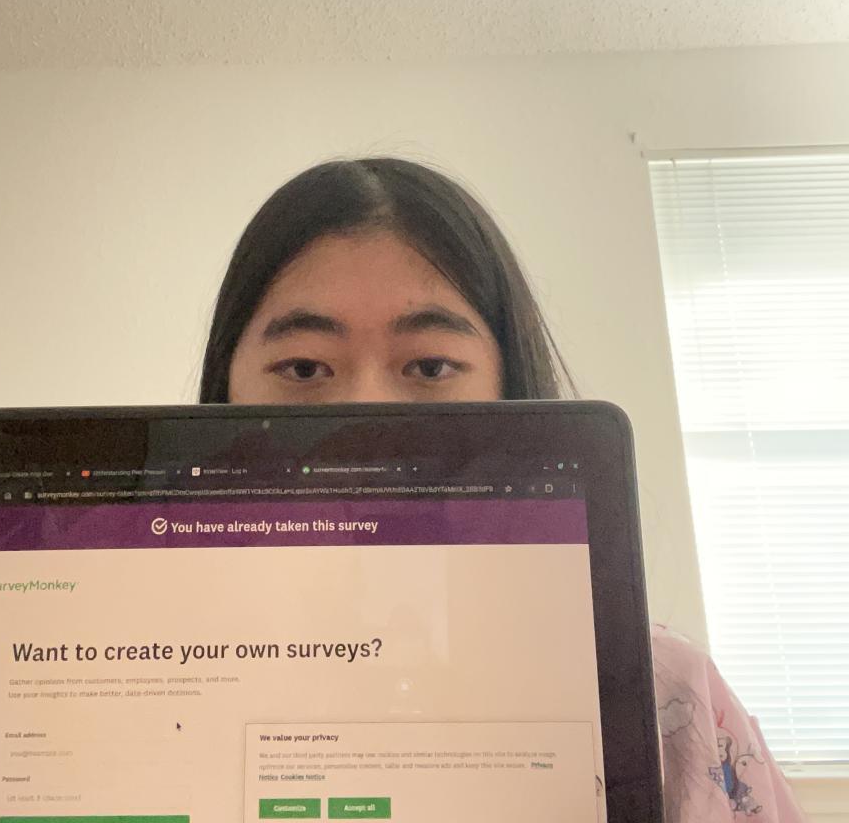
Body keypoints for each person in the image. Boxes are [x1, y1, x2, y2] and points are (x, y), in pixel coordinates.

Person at [199, 157, 807, 823]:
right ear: (224, 396)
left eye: (430, 366)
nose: (368, 421)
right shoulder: (135, 673)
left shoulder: (672, 701)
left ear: (510, 389)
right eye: (304, 368)